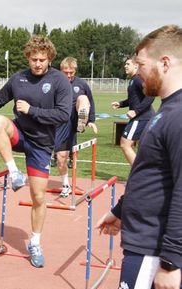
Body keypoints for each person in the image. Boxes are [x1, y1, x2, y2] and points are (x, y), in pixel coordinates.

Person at [0, 35, 72, 268]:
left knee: (39, 197)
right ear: (27, 57)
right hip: (20, 135)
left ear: (49, 58)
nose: (38, 64)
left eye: (42, 59)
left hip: (42, 145)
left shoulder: (59, 80)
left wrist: (31, 110)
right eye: (33, 59)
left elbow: (63, 115)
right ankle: (13, 172)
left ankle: (34, 241)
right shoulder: (18, 78)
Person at [97, 25, 182, 289]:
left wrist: (170, 261)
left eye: (141, 64)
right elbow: (152, 173)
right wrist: (120, 210)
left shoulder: (178, 115)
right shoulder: (166, 110)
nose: (138, 72)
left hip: (156, 251)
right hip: (144, 244)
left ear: (165, 63)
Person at [54, 57, 97, 197]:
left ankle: (82, 121)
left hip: (75, 117)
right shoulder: (55, 82)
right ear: (61, 71)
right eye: (65, 72)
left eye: (71, 72)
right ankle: (65, 184)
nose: (68, 75)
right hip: (60, 121)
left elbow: (91, 101)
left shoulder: (81, 84)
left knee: (83, 98)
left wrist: (91, 120)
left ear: (75, 71)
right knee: (61, 158)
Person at [111, 57, 155, 166]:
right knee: (143, 148)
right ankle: (145, 174)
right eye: (125, 64)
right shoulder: (133, 80)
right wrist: (121, 104)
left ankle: (138, 173)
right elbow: (134, 99)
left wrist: (136, 111)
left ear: (136, 66)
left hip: (141, 118)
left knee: (125, 144)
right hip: (143, 117)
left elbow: (150, 95)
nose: (125, 66)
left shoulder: (138, 79)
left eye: (128, 64)